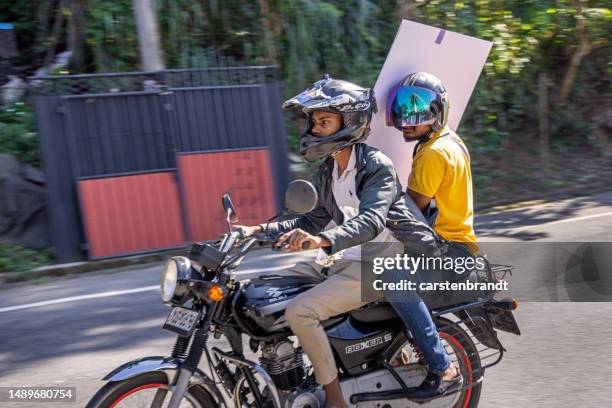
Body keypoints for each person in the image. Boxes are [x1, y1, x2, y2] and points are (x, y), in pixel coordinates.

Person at [237, 75, 460, 407]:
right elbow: (311, 220)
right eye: (314, 121)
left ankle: (335, 398)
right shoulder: (329, 171)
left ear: (350, 123)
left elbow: (370, 222)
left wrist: (321, 240)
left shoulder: (375, 167)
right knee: (271, 292)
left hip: (387, 259)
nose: (314, 129)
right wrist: (257, 232)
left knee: (301, 311)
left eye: (324, 121)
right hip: (350, 258)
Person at [383, 71, 479, 400]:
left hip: (448, 253)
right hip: (452, 246)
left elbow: (409, 213)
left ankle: (441, 366)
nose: (407, 120)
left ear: (438, 110)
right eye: (402, 110)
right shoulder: (450, 142)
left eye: (418, 111)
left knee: (389, 276)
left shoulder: (432, 154)